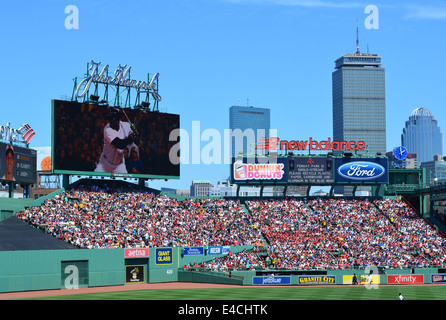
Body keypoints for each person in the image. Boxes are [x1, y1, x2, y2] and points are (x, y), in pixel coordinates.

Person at [94, 107, 136, 173]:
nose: (111, 122)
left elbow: (135, 129)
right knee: (95, 179)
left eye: (113, 121)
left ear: (118, 120)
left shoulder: (126, 126)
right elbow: (120, 144)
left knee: (124, 181)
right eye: (110, 120)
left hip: (119, 165)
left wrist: (135, 131)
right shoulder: (107, 129)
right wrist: (131, 138)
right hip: (105, 163)